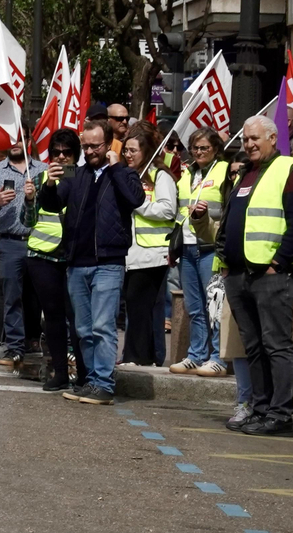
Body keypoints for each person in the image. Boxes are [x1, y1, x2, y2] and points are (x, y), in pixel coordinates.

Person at [217, 115, 293, 435]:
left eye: (255, 138)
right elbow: (229, 221)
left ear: (273, 138)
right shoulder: (245, 174)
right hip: (239, 275)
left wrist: (279, 263)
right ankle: (260, 409)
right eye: (245, 140)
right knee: (254, 348)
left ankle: (280, 415)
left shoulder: (291, 170)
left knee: (277, 346)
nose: (249, 144)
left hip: (271, 275)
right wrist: (224, 264)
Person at [52, 119, 144, 403]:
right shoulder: (76, 174)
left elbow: (135, 199)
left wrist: (116, 167)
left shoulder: (124, 173)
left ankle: (103, 383)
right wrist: (44, 188)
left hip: (108, 261)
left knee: (102, 327)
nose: (90, 151)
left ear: (108, 145)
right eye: (86, 146)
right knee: (83, 329)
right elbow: (53, 203)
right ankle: (91, 381)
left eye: (96, 146)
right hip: (77, 261)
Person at [169, 129, 230, 376]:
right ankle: (196, 355)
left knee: (214, 306)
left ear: (215, 148)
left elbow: (228, 208)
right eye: (195, 147)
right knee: (194, 307)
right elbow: (179, 213)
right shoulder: (186, 174)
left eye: (204, 147)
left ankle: (218, 358)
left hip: (210, 247)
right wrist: (173, 245)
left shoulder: (225, 171)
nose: (199, 152)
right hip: (187, 247)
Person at [0, 132, 36, 374]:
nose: (14, 144)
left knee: (41, 299)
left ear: (28, 141)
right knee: (11, 298)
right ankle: (14, 347)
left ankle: (40, 343)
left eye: (19, 139)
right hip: (9, 240)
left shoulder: (41, 169)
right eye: (10, 139)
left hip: (41, 242)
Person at [24, 128, 79, 392]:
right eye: (55, 152)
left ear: (75, 154)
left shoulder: (83, 178)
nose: (60, 157)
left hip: (72, 257)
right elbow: (27, 221)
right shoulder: (39, 176)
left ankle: (83, 373)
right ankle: (59, 372)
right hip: (42, 256)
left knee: (78, 317)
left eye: (66, 153)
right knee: (54, 316)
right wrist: (30, 199)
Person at [120, 128, 178, 367]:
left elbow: (167, 209)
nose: (128, 154)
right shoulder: (125, 175)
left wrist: (138, 204)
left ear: (146, 151)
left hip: (152, 253)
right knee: (135, 306)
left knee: (140, 304)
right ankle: (144, 355)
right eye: (126, 150)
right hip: (130, 252)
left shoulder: (159, 177)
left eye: (133, 150)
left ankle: (137, 357)